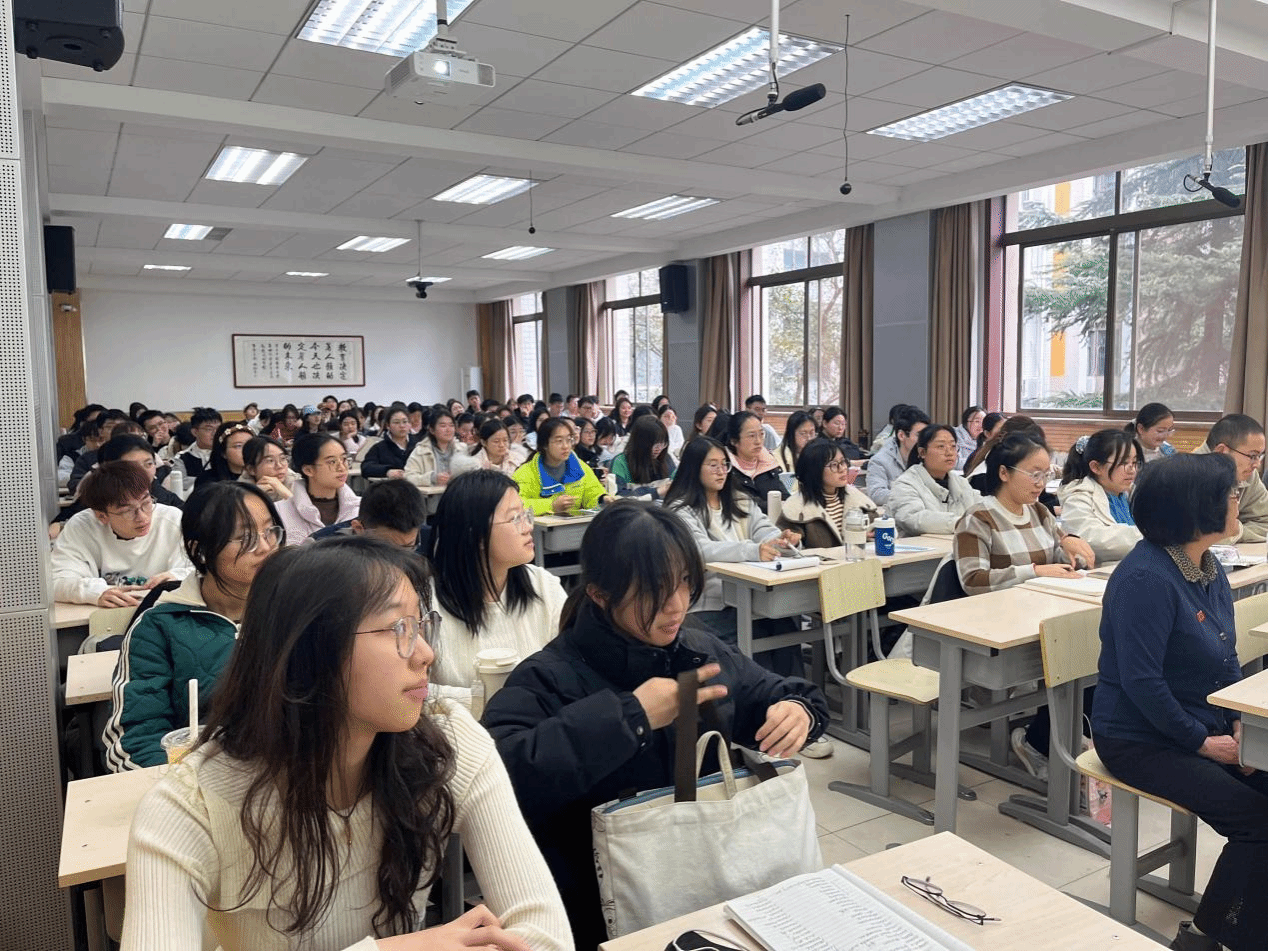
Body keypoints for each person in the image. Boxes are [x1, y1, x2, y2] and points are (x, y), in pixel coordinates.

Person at [121, 536, 571, 951]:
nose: (425, 654)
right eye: (398, 628)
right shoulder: (192, 805)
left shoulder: (445, 744)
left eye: (421, 625)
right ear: (308, 651)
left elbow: (545, 936)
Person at [482, 504, 829, 950]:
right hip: (601, 910)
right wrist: (632, 717)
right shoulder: (548, 675)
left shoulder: (697, 650)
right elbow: (500, 775)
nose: (677, 604)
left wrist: (800, 709)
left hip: (713, 886)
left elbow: (774, 691)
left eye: (684, 582)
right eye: (654, 590)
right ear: (600, 594)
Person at [1088, 453, 1267, 951]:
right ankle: (1205, 937)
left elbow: (1226, 657)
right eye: (1231, 493)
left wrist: (1240, 723)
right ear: (1197, 508)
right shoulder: (1146, 578)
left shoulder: (1207, 566)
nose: (1238, 500)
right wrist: (1202, 743)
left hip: (1199, 722)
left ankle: (1251, 924)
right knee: (1255, 821)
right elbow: (1142, 683)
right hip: (1138, 737)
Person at [103, 482, 283, 770]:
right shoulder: (159, 627)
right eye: (246, 537)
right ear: (201, 551)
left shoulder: (295, 611)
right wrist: (183, 788)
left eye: (270, 531)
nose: (265, 548)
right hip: (192, 784)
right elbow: (136, 740)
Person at [953, 433, 1096, 778]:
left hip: (1040, 615)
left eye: (1046, 474)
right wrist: (1033, 570)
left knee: (1094, 659)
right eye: (1033, 474)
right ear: (1004, 472)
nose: (1041, 483)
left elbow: (1057, 555)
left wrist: (1072, 550)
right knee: (1078, 661)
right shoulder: (978, 518)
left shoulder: (1040, 512)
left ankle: (1059, 739)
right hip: (996, 627)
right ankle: (1042, 741)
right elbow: (972, 580)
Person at [664, 438, 828, 698]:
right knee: (757, 639)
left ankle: (797, 699)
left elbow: (762, 529)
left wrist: (781, 539)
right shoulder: (680, 509)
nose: (721, 471)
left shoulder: (738, 499)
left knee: (786, 624)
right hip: (711, 602)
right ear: (694, 468)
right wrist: (753, 550)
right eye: (713, 465)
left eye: (725, 464)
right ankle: (766, 702)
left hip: (753, 596)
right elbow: (700, 550)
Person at [427, 470, 566, 706]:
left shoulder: (543, 587)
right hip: (459, 728)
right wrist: (482, 699)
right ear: (476, 535)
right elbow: (412, 692)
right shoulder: (427, 605)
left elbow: (573, 666)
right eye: (515, 518)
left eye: (526, 514)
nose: (528, 527)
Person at [51, 462, 193, 608]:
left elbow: (200, 570)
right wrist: (95, 592)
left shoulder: (172, 520)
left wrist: (177, 577)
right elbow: (56, 579)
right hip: (101, 614)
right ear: (101, 516)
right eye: (127, 511)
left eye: (146, 503)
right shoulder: (81, 527)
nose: (142, 517)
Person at [1057, 429, 1144, 563]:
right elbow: (1091, 539)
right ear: (1096, 467)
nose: (1132, 470)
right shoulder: (1078, 497)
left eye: (1135, 462)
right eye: (1123, 463)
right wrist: (1149, 534)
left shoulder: (1129, 493)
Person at [778, 438, 877, 547]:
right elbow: (783, 546)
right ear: (814, 470)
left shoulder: (858, 499)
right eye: (834, 465)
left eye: (843, 462)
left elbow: (878, 530)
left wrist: (866, 536)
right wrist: (794, 543)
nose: (842, 469)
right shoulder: (796, 507)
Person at [889, 425, 978, 536]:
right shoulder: (906, 484)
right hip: (920, 546)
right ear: (922, 452)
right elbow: (913, 518)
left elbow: (983, 508)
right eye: (941, 446)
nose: (949, 453)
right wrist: (961, 523)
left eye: (953, 446)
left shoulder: (961, 483)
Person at [274, 433, 360, 545]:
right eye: (332, 462)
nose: (342, 468)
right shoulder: (280, 511)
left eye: (344, 459)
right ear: (308, 470)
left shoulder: (361, 508)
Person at [1192, 414, 1268, 543]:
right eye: (1252, 456)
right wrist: (1227, 533)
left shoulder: (1247, 472)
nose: (1257, 464)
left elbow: (1264, 521)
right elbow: (1194, 535)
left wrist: (1236, 531)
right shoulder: (1186, 476)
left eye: (1259, 456)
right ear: (1222, 451)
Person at [512, 417, 610, 516]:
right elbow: (516, 505)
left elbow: (592, 492)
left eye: (568, 440)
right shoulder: (525, 473)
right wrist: (551, 505)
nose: (566, 446)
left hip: (573, 524)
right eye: (559, 441)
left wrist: (603, 499)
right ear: (545, 444)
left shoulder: (580, 467)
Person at [311, 478, 430, 554]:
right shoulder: (319, 550)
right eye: (387, 548)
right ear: (358, 529)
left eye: (408, 547)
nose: (400, 558)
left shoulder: (431, 540)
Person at [864, 405, 930, 508]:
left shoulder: (928, 456)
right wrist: (911, 496)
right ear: (901, 436)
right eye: (919, 435)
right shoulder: (880, 461)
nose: (924, 440)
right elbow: (876, 494)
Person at [724, 410, 787, 514]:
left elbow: (785, 497)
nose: (758, 441)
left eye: (761, 434)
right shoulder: (726, 468)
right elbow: (746, 505)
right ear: (734, 441)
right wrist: (778, 506)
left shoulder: (768, 464)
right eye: (751, 436)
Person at [405, 407, 477, 487]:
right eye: (443, 426)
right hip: (433, 494)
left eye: (451, 425)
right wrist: (432, 478)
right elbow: (408, 477)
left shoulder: (462, 449)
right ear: (432, 430)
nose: (448, 430)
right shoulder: (421, 451)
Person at [610, 416, 676, 499]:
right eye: (654, 444)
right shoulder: (621, 462)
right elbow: (618, 496)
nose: (659, 449)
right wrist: (656, 492)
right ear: (639, 443)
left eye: (663, 443)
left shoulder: (666, 459)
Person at [361, 406, 417, 479]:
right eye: (396, 422)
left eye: (405, 422)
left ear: (410, 424)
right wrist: (387, 471)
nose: (402, 426)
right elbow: (366, 468)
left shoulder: (418, 445)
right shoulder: (379, 448)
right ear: (388, 425)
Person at [194, 421, 254, 487]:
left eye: (250, 444)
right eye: (238, 446)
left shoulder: (260, 475)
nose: (247, 449)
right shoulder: (208, 481)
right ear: (223, 452)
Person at [239, 435, 295, 502]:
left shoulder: (297, 482)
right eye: (270, 461)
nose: (279, 466)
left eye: (282, 458)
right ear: (251, 469)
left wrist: (285, 493)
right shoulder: (239, 494)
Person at [174, 408, 223, 482]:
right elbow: (180, 483)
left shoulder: (226, 453)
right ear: (195, 432)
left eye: (218, 429)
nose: (215, 433)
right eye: (209, 429)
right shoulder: (182, 458)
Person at [776, 410, 817, 479]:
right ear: (791, 434)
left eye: (811, 433)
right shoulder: (777, 457)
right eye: (803, 433)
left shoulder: (819, 453)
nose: (809, 438)